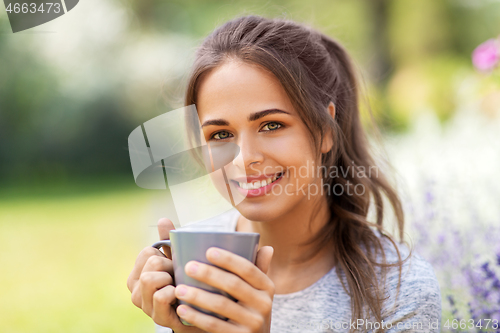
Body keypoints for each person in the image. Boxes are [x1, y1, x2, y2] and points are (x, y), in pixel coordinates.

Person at [126, 15, 441, 333]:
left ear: (324, 128)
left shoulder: (400, 292)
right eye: (221, 134)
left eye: (271, 125)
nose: (244, 159)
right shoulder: (192, 267)